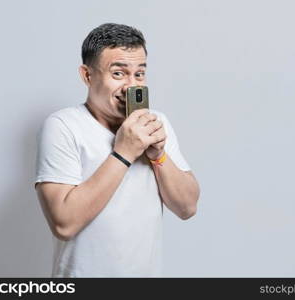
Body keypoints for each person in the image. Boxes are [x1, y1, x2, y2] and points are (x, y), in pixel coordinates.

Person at [34, 23, 200, 277]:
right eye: (119, 74)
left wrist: (159, 156)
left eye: (139, 74)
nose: (130, 86)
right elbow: (63, 223)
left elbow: (187, 207)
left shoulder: (156, 123)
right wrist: (123, 152)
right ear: (87, 75)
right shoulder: (63, 126)